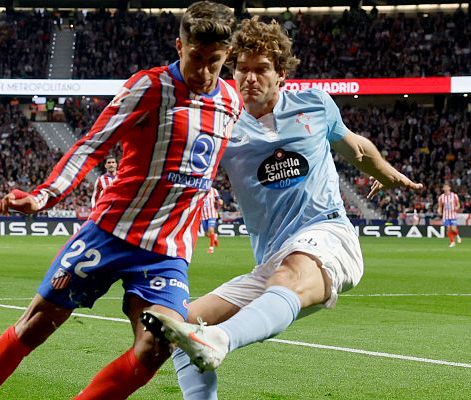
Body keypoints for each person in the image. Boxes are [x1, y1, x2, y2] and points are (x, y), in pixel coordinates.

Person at [0, 2, 242, 399]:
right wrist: (43, 196)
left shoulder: (233, 102)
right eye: (196, 57)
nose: (204, 71)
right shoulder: (150, 87)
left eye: (214, 61)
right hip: (111, 233)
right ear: (179, 46)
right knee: (37, 324)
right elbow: (93, 145)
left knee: (155, 346)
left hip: (167, 250)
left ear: (227, 55)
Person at [140, 17, 424, 399]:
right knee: (177, 327)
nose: (249, 78)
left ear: (282, 76)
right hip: (272, 259)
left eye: (261, 70)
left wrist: (387, 174)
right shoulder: (221, 118)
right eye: (242, 68)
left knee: (289, 274)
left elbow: (356, 147)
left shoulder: (315, 105)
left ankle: (219, 340)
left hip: (329, 235)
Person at [438, 182, 462, 247]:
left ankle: (457, 236)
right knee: (448, 229)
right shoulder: (441, 197)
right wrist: (439, 211)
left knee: (453, 229)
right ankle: (452, 242)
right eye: (444, 187)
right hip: (445, 216)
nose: (445, 188)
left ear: (449, 188)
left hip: (453, 215)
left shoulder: (454, 195)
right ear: (443, 189)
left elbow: (458, 204)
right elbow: (440, 206)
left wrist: (457, 207)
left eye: (447, 187)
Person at [200, 186, 223, 254]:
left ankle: (211, 248)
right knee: (206, 234)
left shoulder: (213, 190)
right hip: (203, 215)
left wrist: (220, 202)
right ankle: (214, 237)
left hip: (212, 214)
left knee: (211, 229)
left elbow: (218, 199)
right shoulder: (200, 190)